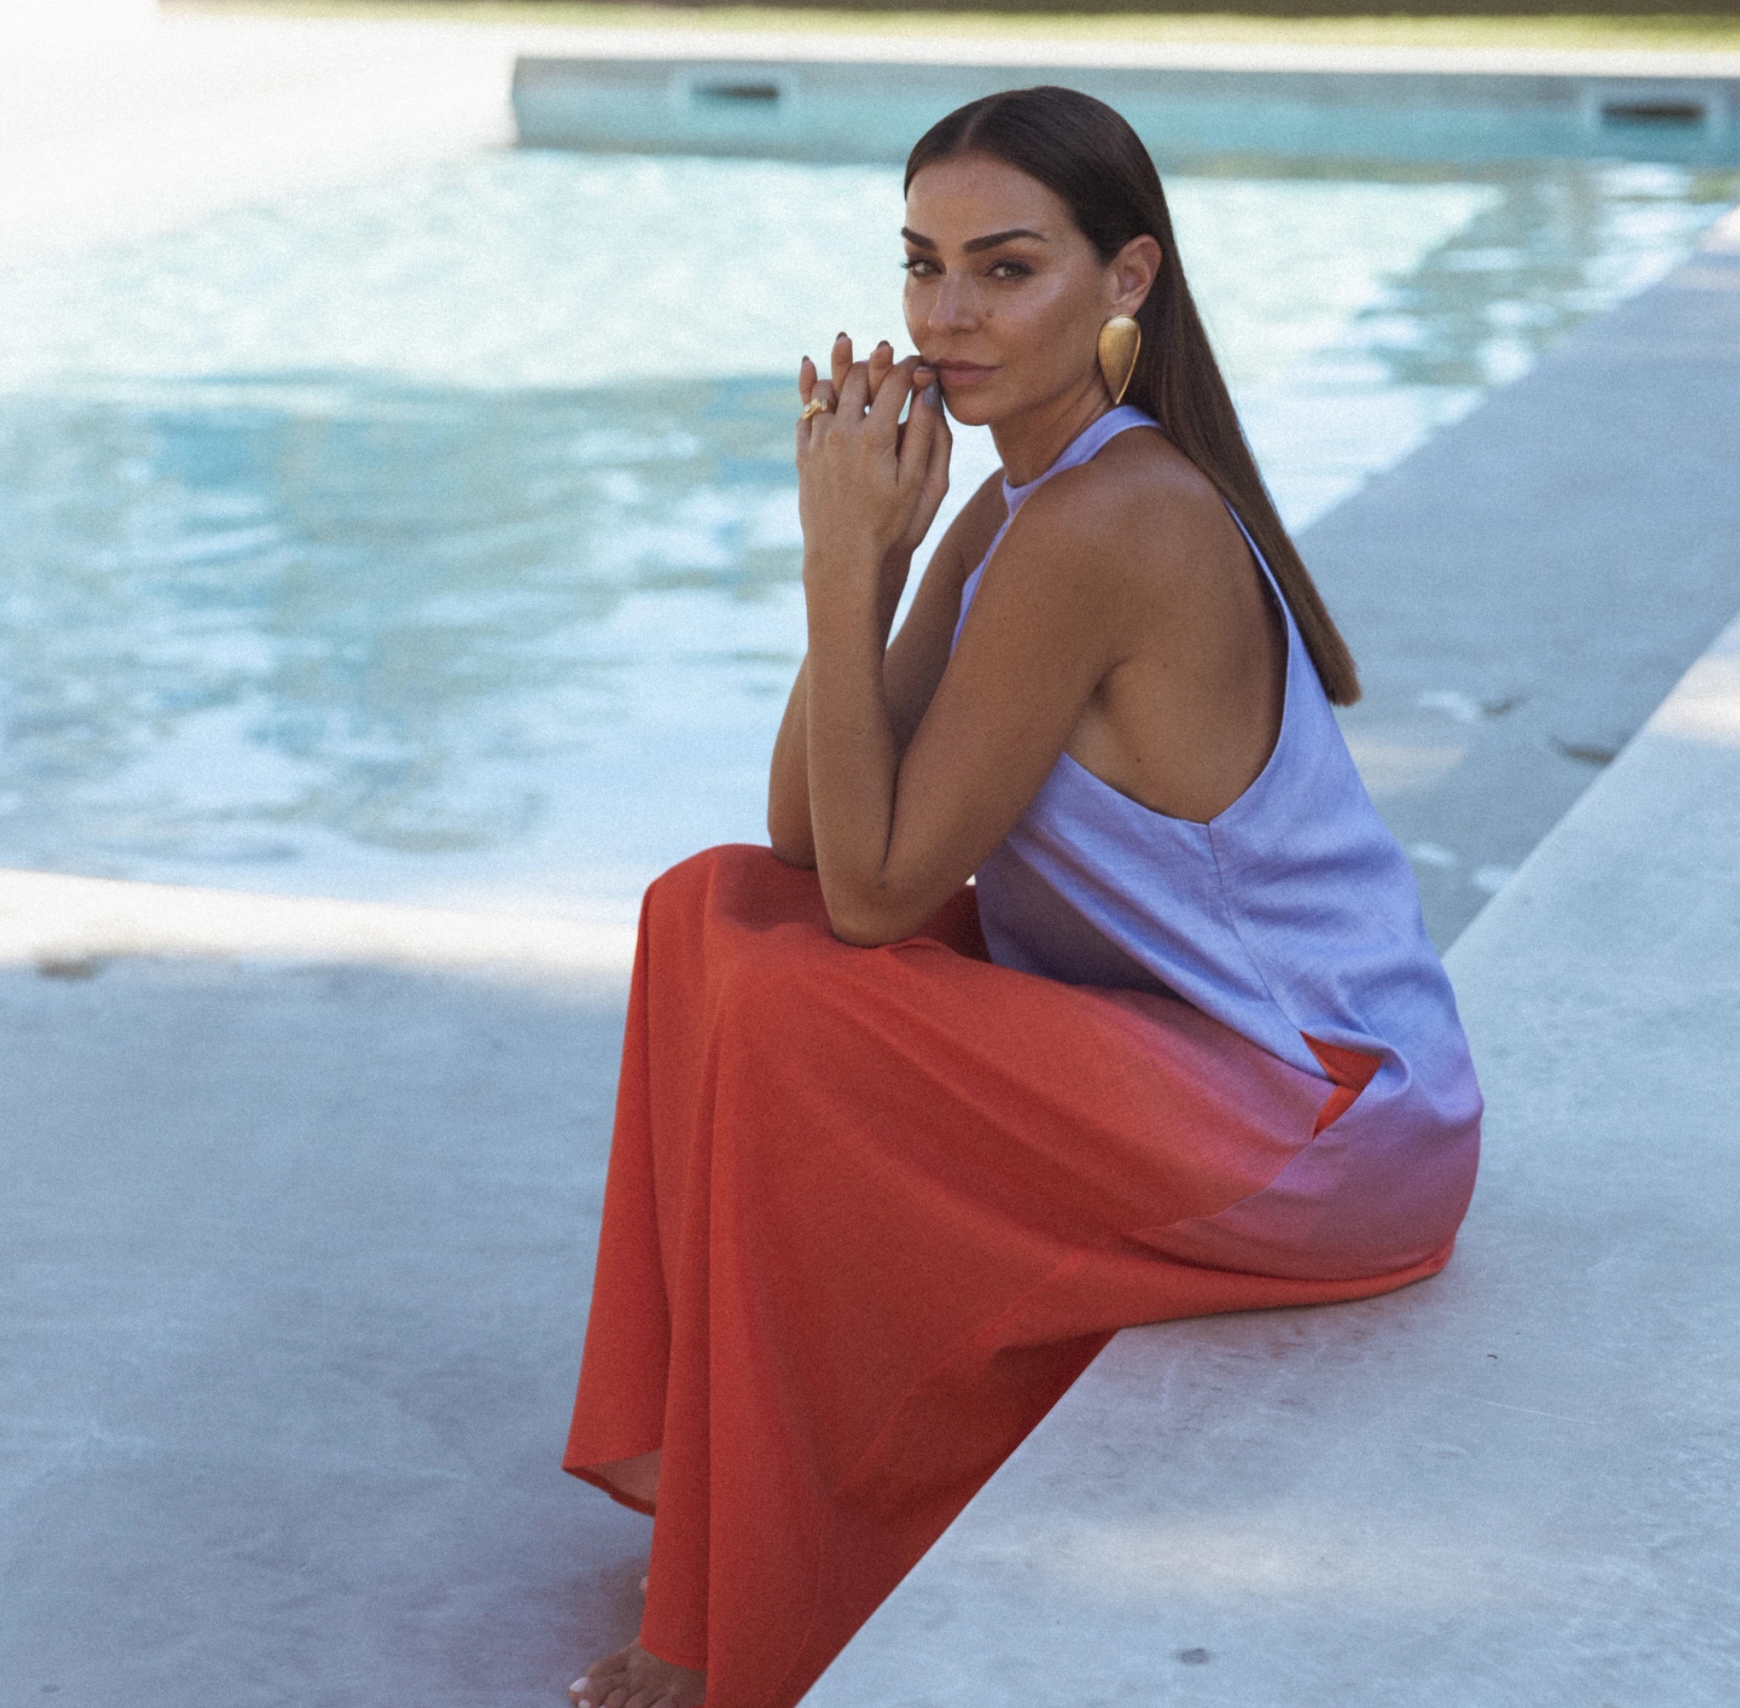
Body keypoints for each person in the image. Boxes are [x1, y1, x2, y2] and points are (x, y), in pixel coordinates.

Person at [562, 86, 1482, 1708]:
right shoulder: (1015, 502)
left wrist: (841, 566)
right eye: (923, 268)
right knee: (706, 908)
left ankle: (751, 1602)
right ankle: (720, 1485)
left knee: (793, 993)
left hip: (1324, 1116)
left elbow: (874, 897)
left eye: (1005, 269)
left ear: (1126, 279)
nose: (945, 316)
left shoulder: (1114, 519)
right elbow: (796, 842)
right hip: (1167, 1050)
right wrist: (883, 558)